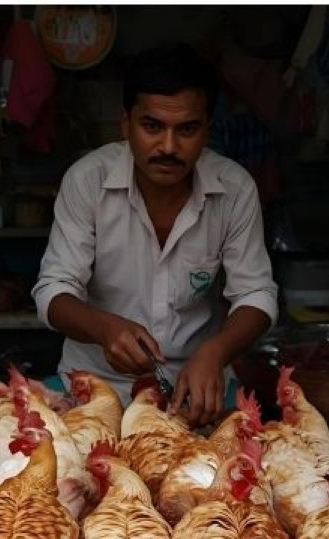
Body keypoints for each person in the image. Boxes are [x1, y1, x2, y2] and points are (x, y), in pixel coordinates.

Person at [32, 43, 278, 426]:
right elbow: (53, 291)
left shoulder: (235, 188)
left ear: (208, 129)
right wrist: (104, 328)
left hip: (196, 389)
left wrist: (215, 352)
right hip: (94, 387)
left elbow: (256, 294)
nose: (168, 146)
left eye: (187, 130)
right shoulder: (87, 180)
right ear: (125, 123)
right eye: (152, 127)